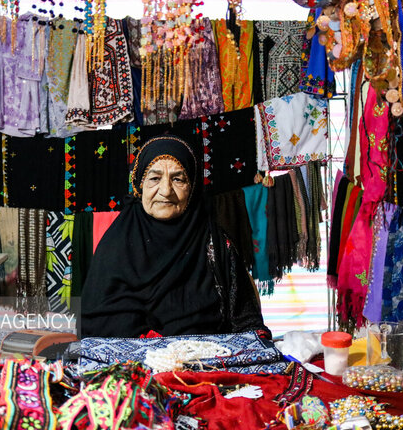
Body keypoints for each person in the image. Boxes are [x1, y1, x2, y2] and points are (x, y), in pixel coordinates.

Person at [81, 135, 270, 338]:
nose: (166, 191)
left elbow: (245, 319)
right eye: (154, 178)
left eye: (178, 179)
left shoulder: (215, 242)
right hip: (133, 364)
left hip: (208, 358)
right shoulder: (117, 243)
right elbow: (97, 321)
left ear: (192, 187)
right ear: (139, 185)